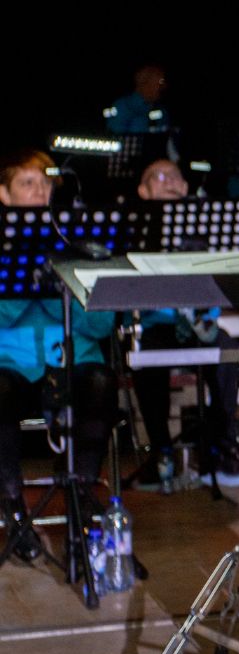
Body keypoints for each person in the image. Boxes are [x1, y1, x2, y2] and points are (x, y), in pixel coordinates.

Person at [0, 149, 118, 561]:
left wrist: (59, 291)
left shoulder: (78, 243)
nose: (39, 191)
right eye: (27, 183)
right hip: (11, 366)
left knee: (100, 381)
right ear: (4, 194)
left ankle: (81, 496)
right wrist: (29, 286)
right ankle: (13, 508)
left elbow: (101, 325)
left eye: (45, 183)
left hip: (71, 361)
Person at [129, 159, 239, 482]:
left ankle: (220, 441)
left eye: (175, 177)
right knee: (147, 359)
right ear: (143, 191)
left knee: (228, 352)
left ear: (186, 187)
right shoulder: (136, 233)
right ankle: (161, 450)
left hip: (201, 323)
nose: (169, 182)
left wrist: (207, 316)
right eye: (158, 177)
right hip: (159, 325)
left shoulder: (207, 228)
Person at [103, 62, 171, 135]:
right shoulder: (122, 106)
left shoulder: (161, 110)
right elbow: (115, 136)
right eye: (160, 82)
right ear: (145, 83)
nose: (164, 87)